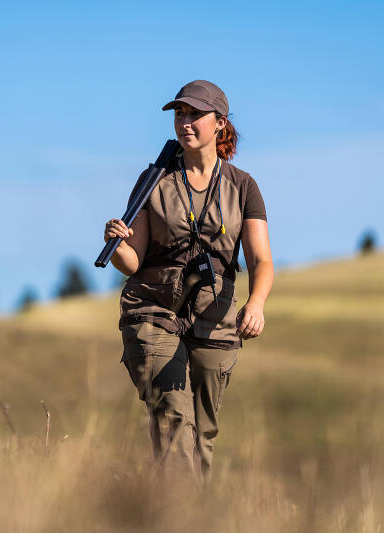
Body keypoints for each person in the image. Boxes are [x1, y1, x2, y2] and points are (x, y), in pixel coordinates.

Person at [103, 80, 274, 483]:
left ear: (220, 124)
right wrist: (117, 242)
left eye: (196, 114)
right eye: (180, 114)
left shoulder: (243, 186)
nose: (186, 122)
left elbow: (261, 259)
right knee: (174, 423)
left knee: (202, 439)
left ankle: (181, 516)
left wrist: (257, 304)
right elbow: (133, 260)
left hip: (214, 319)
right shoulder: (154, 179)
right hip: (153, 312)